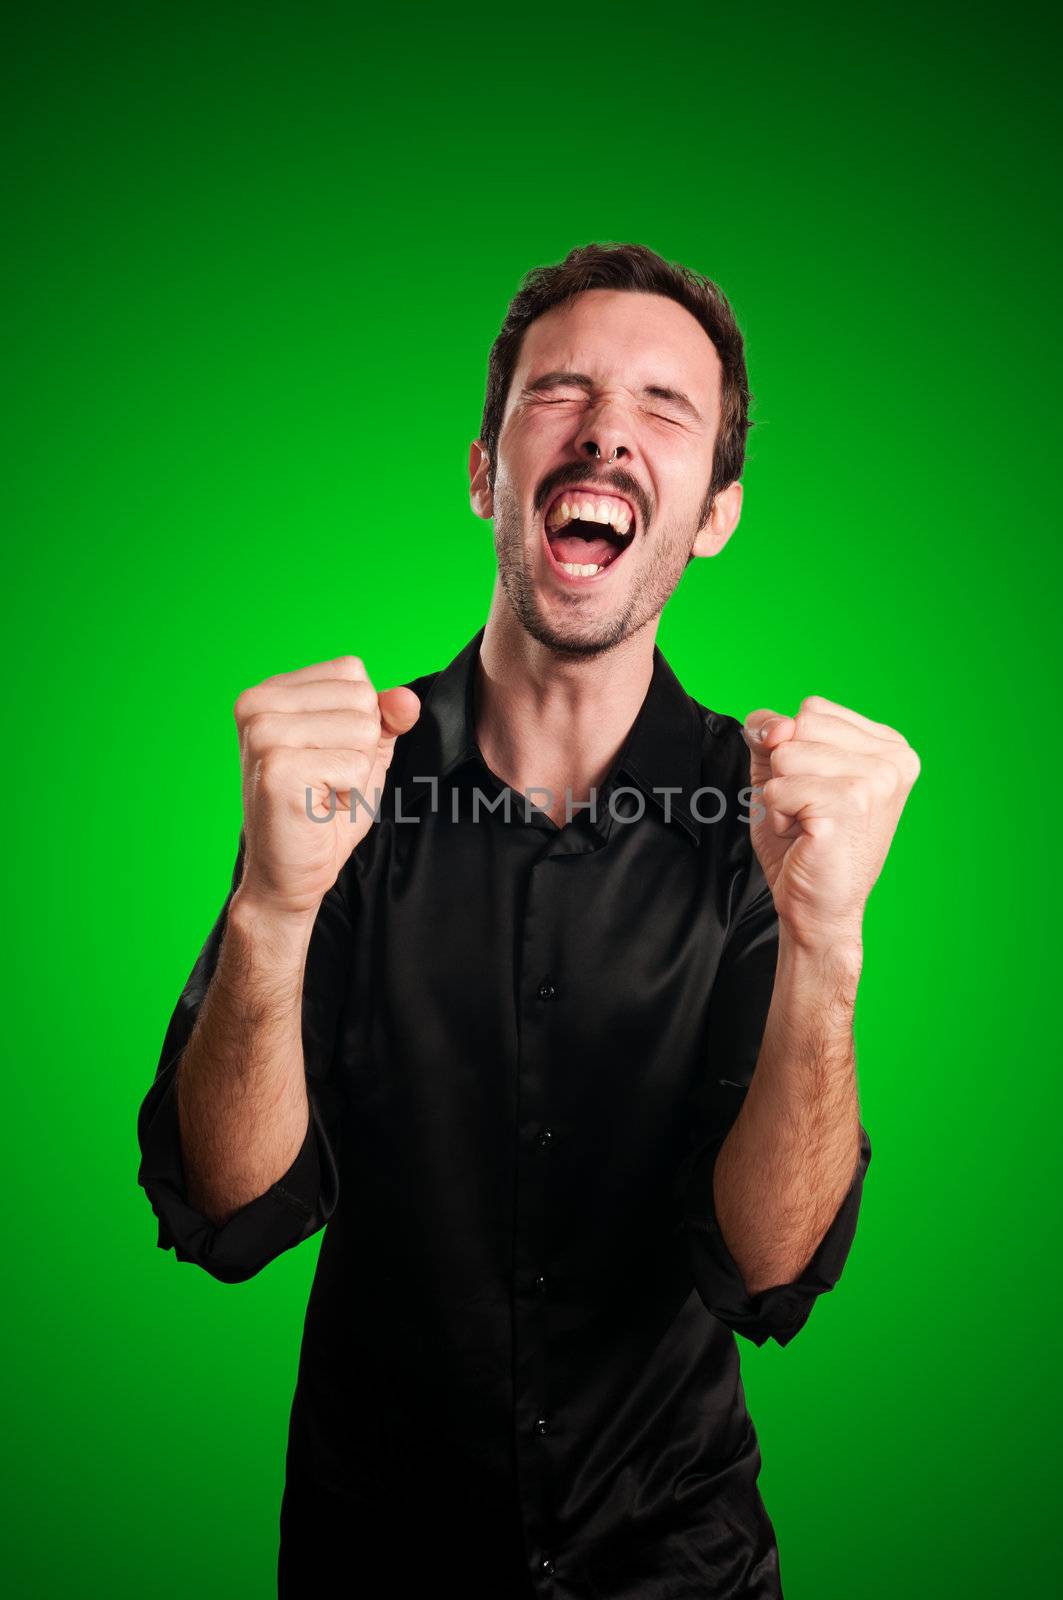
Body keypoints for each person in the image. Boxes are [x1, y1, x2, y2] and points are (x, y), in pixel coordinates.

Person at [136, 241, 920, 1598]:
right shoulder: (346, 788)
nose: (610, 428)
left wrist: (826, 953)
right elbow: (231, 1208)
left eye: (664, 408)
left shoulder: (767, 820)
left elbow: (766, 1271)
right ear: (487, 473)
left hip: (679, 1564)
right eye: (562, 392)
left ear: (716, 511)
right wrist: (271, 908)